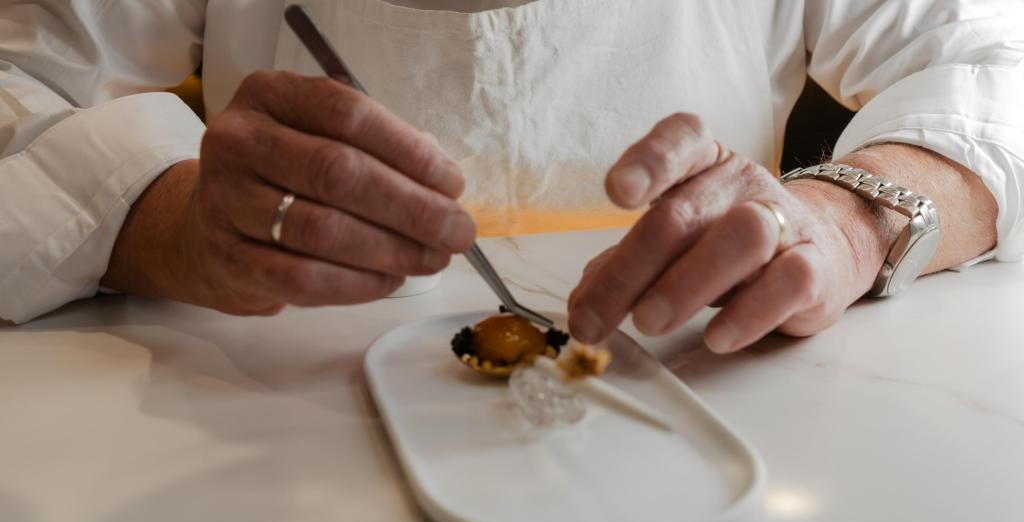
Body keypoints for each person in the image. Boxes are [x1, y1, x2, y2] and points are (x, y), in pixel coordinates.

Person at [0, 0, 1021, 354]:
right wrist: (164, 220)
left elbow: (997, 60)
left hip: (700, 409)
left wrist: (843, 226)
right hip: (262, 423)